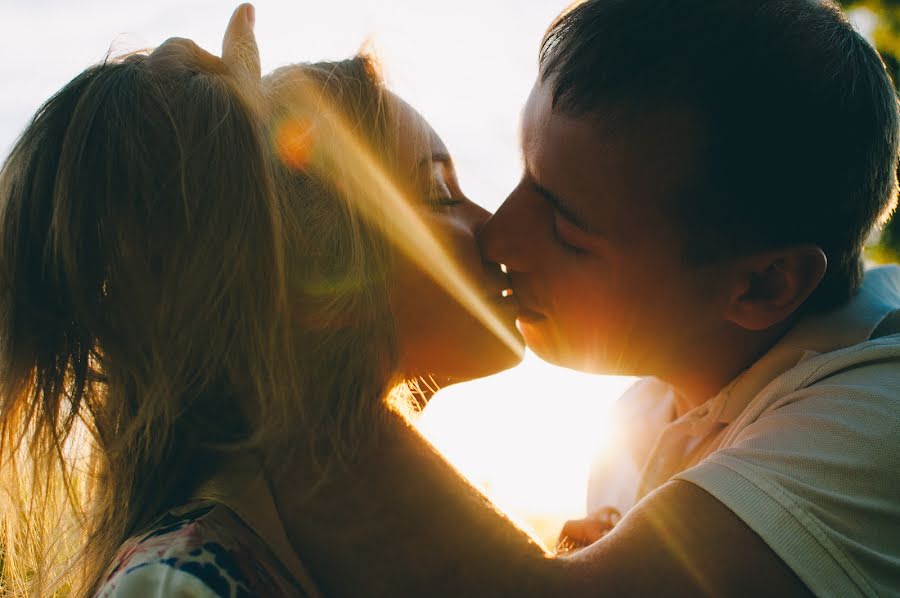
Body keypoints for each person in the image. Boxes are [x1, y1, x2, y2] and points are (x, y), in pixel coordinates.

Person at [267, 0, 900, 596]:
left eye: (568, 227)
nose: (498, 233)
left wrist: (265, 342)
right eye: (525, 173)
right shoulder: (640, 419)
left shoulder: (879, 418)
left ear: (764, 285)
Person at [0, 5, 523, 596]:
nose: (496, 228)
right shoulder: (182, 583)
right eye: (436, 190)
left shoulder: (311, 543)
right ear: (325, 262)